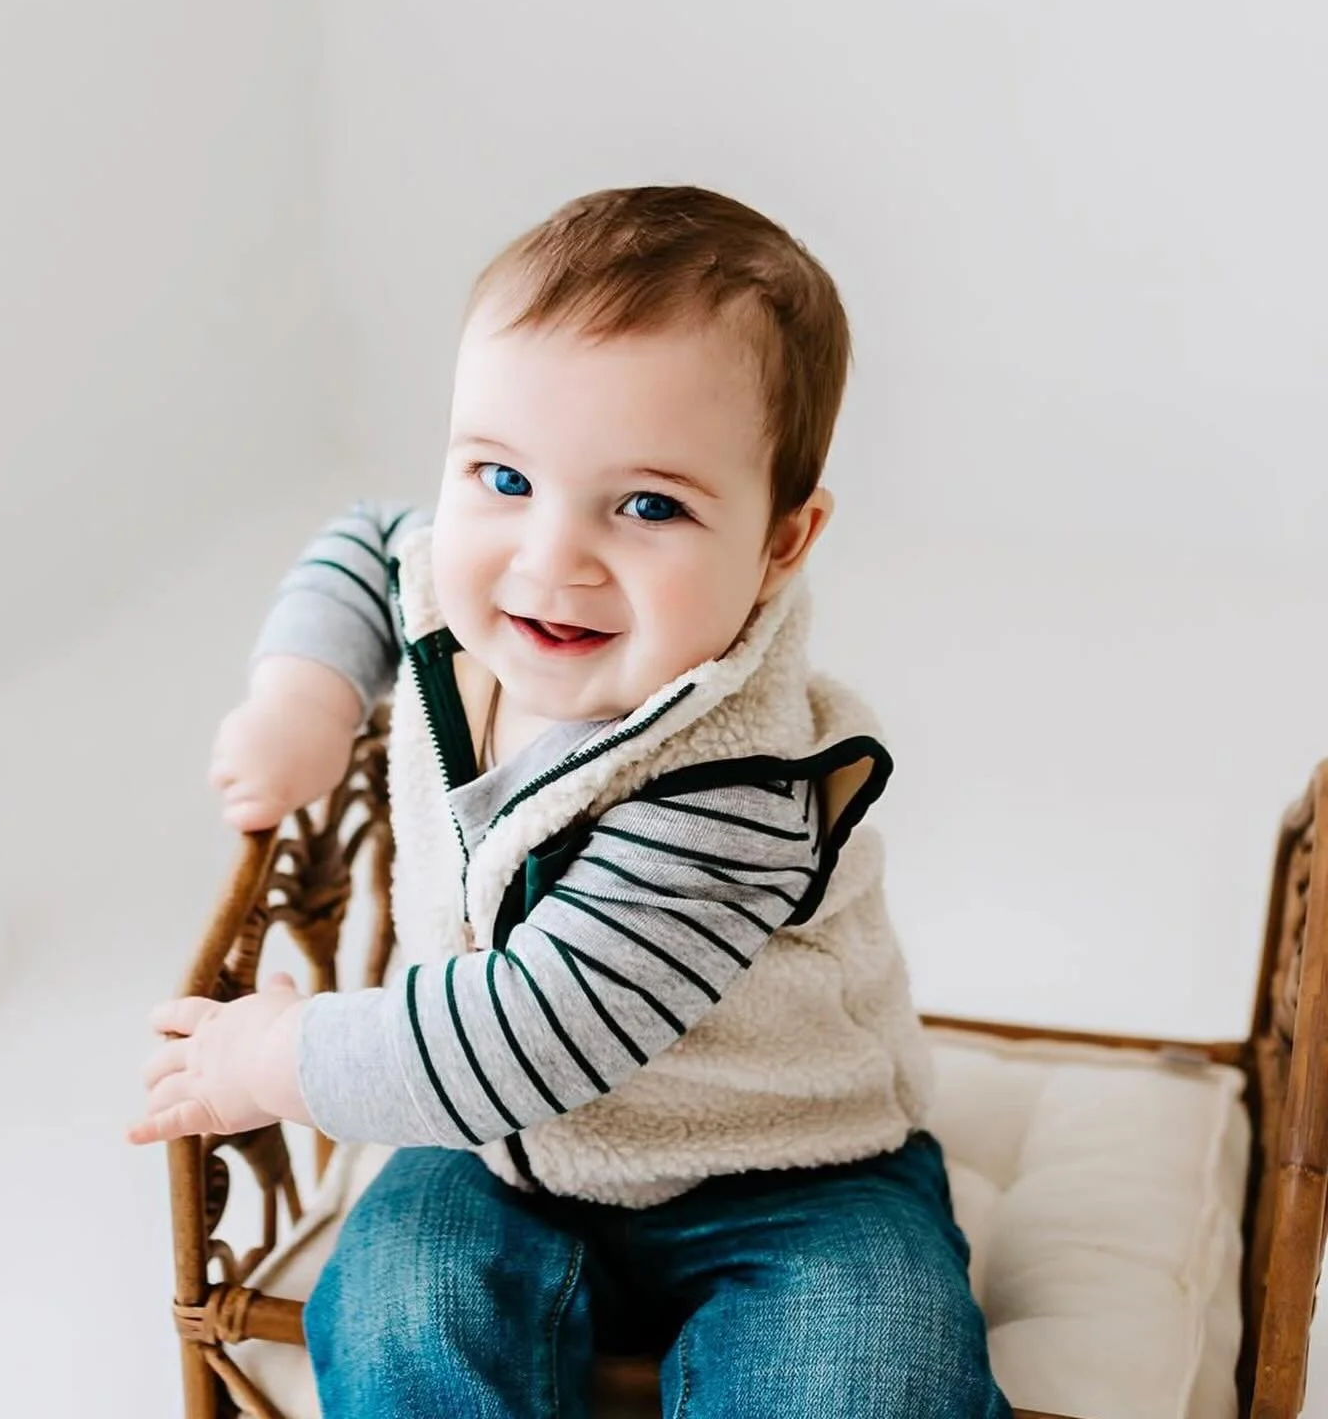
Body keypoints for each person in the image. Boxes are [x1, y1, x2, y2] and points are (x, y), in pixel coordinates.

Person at [131, 185, 1011, 1418]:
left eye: (648, 505)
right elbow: (365, 544)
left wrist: (287, 1056)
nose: (551, 556)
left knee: (865, 1366)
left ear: (782, 542)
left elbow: (533, 1034)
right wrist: (304, 698)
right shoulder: (455, 580)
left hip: (786, 1175)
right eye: (502, 476)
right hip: (492, 1159)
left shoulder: (743, 792)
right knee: (391, 1305)